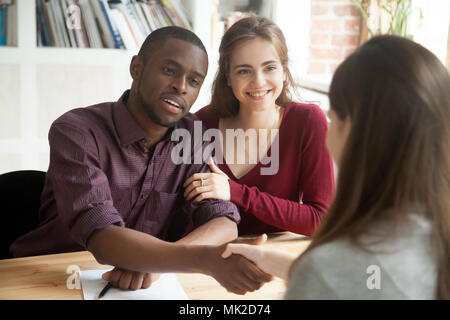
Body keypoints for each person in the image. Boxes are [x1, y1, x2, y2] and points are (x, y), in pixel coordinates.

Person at [10, 26, 272, 295]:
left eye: (194, 81)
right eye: (169, 70)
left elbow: (224, 222)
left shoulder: (193, 136)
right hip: (49, 276)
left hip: (139, 287)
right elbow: (100, 235)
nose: (181, 86)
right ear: (137, 68)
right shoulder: (77, 131)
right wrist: (200, 259)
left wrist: (159, 265)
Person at [221, 35, 450, 299]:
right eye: (244, 70)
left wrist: (311, 272)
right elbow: (365, 281)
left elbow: (339, 278)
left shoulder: (328, 270)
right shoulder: (429, 239)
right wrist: (276, 262)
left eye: (332, 118)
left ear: (352, 129)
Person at [183, 15, 335, 236]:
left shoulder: (307, 121)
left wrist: (236, 192)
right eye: (244, 71)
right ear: (228, 77)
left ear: (284, 72)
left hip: (275, 255)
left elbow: (319, 220)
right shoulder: (201, 124)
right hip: (208, 256)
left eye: (269, 68)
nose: (259, 82)